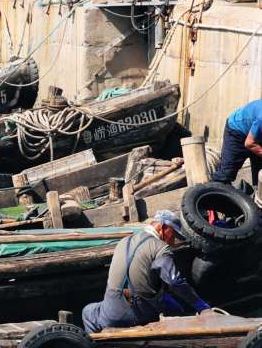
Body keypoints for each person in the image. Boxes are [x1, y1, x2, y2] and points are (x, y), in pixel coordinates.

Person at [82, 210, 210, 333]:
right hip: (137, 312)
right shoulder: (160, 248)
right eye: (174, 235)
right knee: (178, 309)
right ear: (162, 227)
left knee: (88, 312)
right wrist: (201, 305)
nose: (173, 241)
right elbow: (174, 281)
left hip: (111, 307)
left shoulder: (124, 241)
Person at [212, 100, 262, 186]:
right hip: (236, 131)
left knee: (259, 176)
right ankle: (211, 194)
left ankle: (257, 194)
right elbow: (249, 143)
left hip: (256, 134)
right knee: (226, 174)